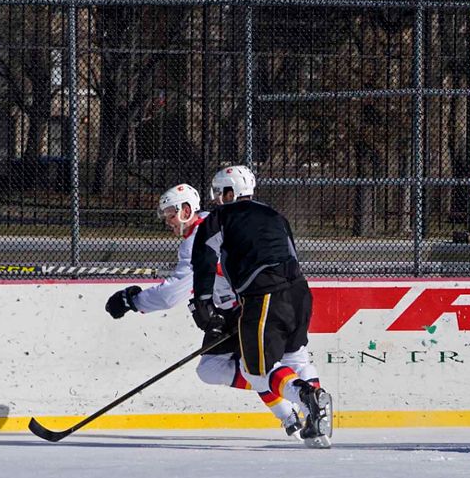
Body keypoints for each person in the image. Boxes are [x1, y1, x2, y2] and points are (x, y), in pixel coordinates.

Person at [106, 182, 324, 443]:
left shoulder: (200, 236)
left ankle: (291, 412)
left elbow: (171, 294)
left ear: (187, 210)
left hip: (243, 308)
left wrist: (133, 301)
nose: (168, 222)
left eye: (170, 214)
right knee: (289, 358)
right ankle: (310, 417)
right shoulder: (222, 220)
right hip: (282, 294)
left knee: (242, 367)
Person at [190, 165, 333, 448]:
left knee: (256, 369)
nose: (217, 199)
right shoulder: (274, 214)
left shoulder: (219, 217)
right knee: (296, 359)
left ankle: (306, 395)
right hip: (300, 291)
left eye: (220, 193)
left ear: (231, 192)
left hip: (264, 296)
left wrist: (204, 304)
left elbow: (204, 260)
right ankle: (317, 425)